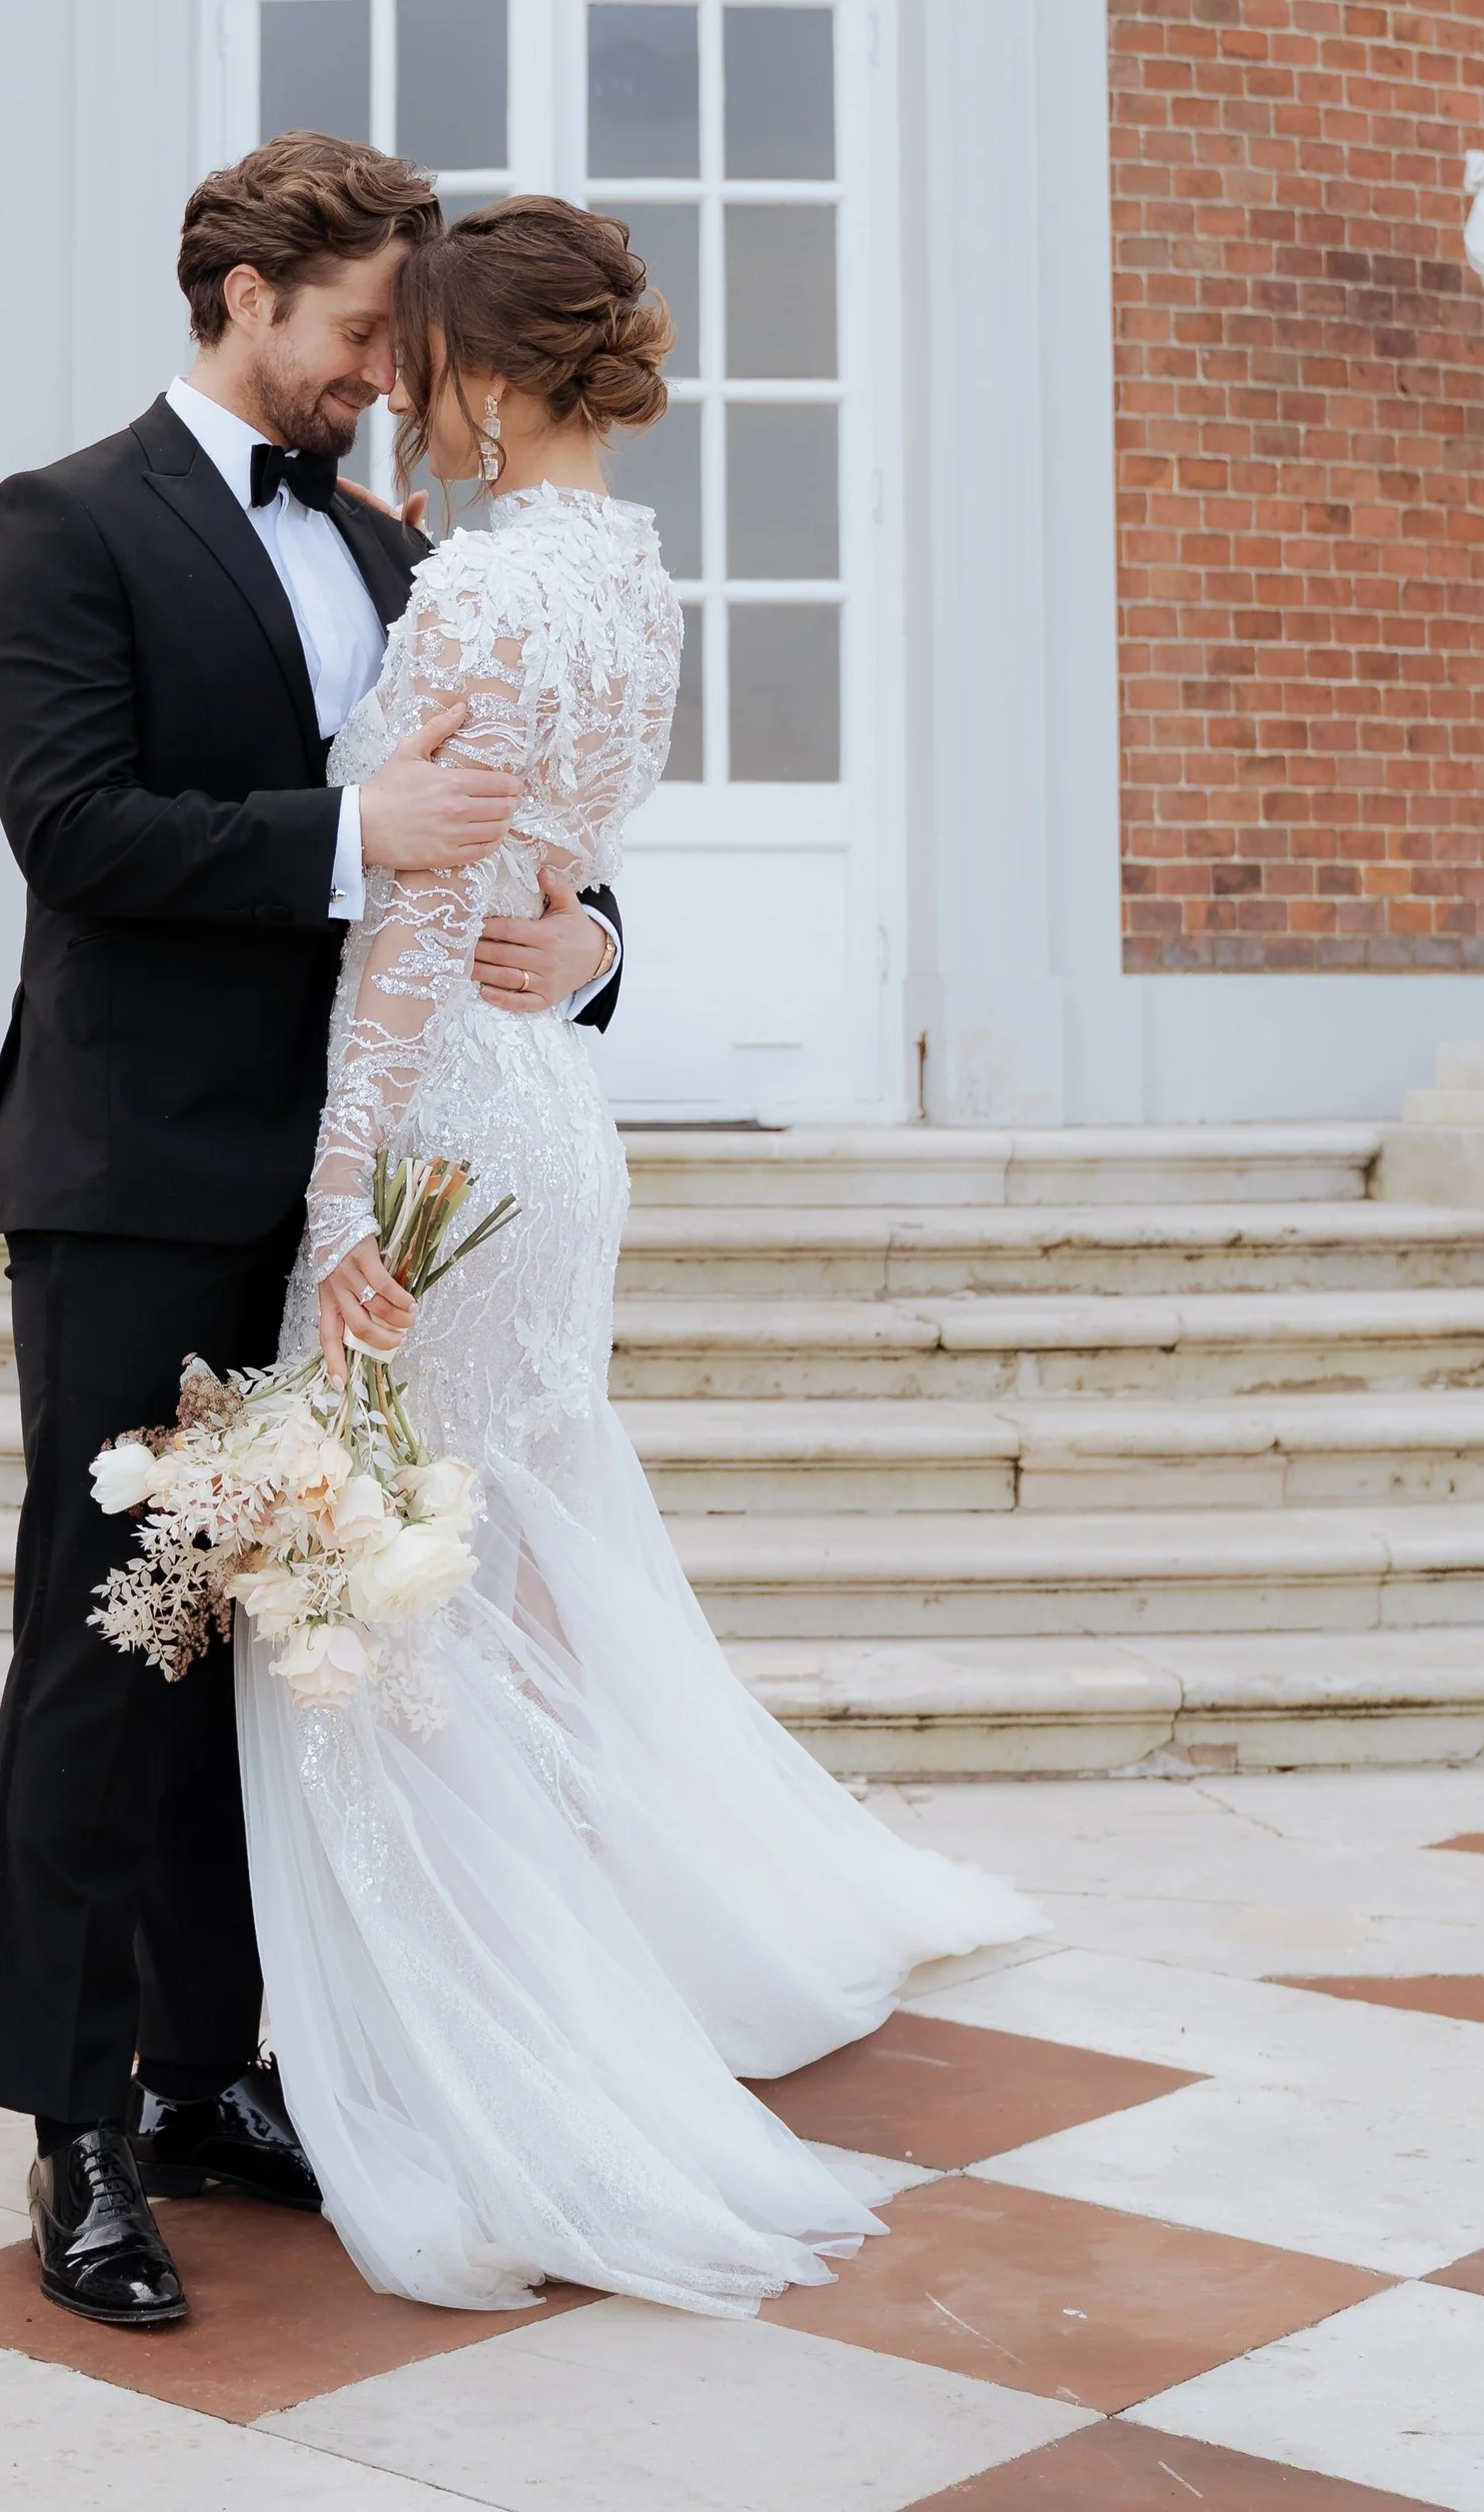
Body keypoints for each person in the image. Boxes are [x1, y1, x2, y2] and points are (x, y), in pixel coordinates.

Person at [237, 195, 1042, 2316]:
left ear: (485, 381)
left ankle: (494, 2067)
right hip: (554, 1124)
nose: (400, 389)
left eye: (418, 358)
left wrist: (337, 1209)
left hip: (439, 1131)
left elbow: (412, 924)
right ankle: (560, 1992)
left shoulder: (476, 593)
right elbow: (564, 875)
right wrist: (580, 939)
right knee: (503, 1581)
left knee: (398, 1619)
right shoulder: (636, 583)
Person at [0, 136, 628, 2329]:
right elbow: (76, 828)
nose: (373, 374)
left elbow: (498, 832)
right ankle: (70, 2137)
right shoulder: (60, 525)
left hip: (363, 1200)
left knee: (287, 1633)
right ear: (243, 296)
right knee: (114, 1632)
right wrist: (346, 833)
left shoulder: (392, 543)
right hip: (139, 1174)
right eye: (349, 331)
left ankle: (202, 2070)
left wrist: (591, 930)